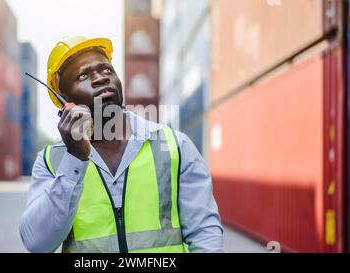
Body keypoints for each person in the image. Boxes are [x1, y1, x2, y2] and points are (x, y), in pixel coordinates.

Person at [20, 36, 223, 253]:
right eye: (83, 75)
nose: (100, 79)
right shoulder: (51, 161)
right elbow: (37, 244)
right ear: (64, 100)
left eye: (106, 70)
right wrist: (74, 159)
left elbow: (205, 234)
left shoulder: (175, 146)